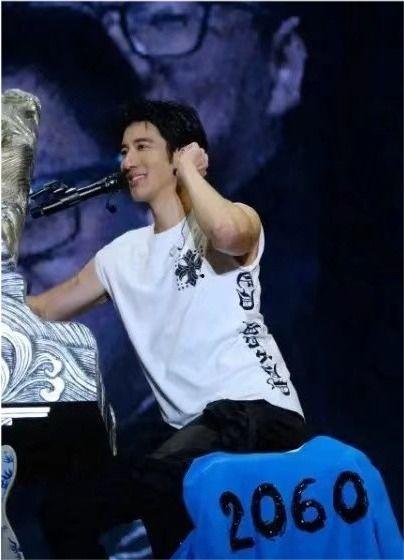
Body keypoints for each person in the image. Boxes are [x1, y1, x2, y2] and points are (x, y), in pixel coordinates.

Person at [27, 99, 309, 558]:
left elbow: (227, 233)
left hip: (255, 412)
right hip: (188, 430)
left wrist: (191, 173)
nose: (127, 161)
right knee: (65, 511)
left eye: (143, 147)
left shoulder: (233, 218)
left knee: (160, 479)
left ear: (180, 153)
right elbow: (43, 308)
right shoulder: (120, 255)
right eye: (123, 151)